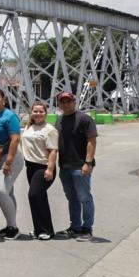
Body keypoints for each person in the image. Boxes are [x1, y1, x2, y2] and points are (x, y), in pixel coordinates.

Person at [54, 91, 97, 240]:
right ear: (59, 104)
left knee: (84, 197)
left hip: (80, 166)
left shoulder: (85, 119)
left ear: (74, 102)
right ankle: (75, 226)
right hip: (64, 166)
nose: (65, 104)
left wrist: (88, 162)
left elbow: (91, 141)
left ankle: (87, 228)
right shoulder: (59, 120)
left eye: (68, 101)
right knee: (72, 198)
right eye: (62, 102)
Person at [0, 89, 23, 239]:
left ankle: (13, 227)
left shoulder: (10, 116)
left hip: (10, 158)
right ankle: (10, 225)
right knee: (8, 192)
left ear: (4, 99)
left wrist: (8, 163)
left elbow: (15, 139)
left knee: (0, 191)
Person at [22, 100, 59, 240]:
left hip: (43, 166)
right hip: (30, 166)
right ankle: (39, 229)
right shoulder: (29, 127)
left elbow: (53, 151)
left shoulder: (49, 129)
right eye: (35, 111)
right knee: (37, 198)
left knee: (34, 195)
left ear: (46, 113)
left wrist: (50, 169)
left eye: (41, 111)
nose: (38, 114)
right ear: (31, 112)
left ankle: (47, 230)